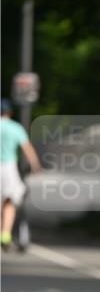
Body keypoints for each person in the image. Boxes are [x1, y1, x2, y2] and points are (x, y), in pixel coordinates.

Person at [0, 98, 41, 249]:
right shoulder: (15, 128)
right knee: (9, 201)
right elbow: (27, 148)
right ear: (9, 112)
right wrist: (35, 166)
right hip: (8, 167)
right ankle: (5, 234)